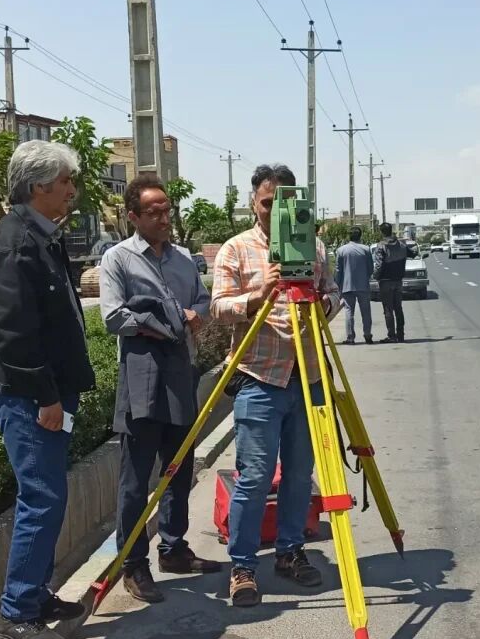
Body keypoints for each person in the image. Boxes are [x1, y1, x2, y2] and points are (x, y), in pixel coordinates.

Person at [0, 140, 95, 639]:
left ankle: (38, 597)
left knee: (50, 497)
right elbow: (11, 334)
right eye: (66, 181)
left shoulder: (42, 237)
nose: (72, 190)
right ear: (39, 186)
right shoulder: (15, 243)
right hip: (30, 400)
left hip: (48, 395)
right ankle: (16, 612)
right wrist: (46, 396)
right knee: (41, 499)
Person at [211, 164, 340, 607]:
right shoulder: (236, 249)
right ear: (254, 202)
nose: (275, 212)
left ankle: (290, 552)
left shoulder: (316, 246)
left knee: (301, 475)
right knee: (255, 476)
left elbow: (334, 295)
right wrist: (257, 295)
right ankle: (243, 565)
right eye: (268, 203)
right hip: (259, 378)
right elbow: (219, 309)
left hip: (307, 377)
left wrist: (324, 300)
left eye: (285, 203)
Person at [98, 175, 219, 604]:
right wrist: (155, 324)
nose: (164, 218)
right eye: (154, 212)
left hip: (180, 371)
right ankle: (133, 563)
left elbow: (204, 301)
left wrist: (192, 315)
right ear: (133, 216)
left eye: (167, 210)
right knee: (136, 478)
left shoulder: (185, 259)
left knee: (179, 467)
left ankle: (174, 548)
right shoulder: (118, 259)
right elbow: (111, 317)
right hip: (141, 374)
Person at [372, 222, 413, 343]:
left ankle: (391, 336)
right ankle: (401, 335)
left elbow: (379, 265)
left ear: (382, 232)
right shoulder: (401, 245)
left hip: (385, 282)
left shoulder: (381, 246)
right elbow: (412, 253)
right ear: (391, 230)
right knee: (398, 308)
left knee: (388, 309)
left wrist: (376, 276)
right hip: (398, 281)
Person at [335, 226, 374, 345]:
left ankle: (350, 337)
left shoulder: (341, 250)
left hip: (347, 286)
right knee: (366, 311)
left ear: (349, 236)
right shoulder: (366, 249)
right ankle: (367, 335)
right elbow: (370, 268)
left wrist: (337, 284)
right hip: (363, 286)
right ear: (360, 236)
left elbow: (338, 270)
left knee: (348, 311)